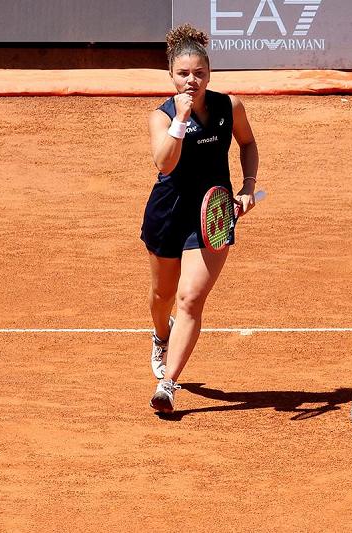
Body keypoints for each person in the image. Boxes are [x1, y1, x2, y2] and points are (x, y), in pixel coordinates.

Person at [140, 24, 259, 414]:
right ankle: (162, 335)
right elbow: (165, 163)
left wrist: (248, 186)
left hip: (214, 212)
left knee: (189, 298)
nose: (192, 80)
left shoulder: (230, 107)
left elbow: (247, 143)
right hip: (168, 212)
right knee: (162, 297)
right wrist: (181, 118)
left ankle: (167, 385)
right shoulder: (161, 117)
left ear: (209, 73)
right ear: (171, 76)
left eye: (199, 73)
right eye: (183, 74)